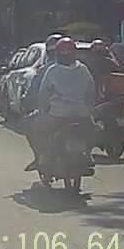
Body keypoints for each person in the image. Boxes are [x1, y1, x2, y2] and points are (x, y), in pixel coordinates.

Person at [24, 37, 96, 172]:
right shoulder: (83, 69)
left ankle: (42, 157)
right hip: (82, 114)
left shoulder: (52, 70)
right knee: (92, 130)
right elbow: (92, 92)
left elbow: (43, 94)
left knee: (33, 127)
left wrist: (42, 110)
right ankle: (87, 154)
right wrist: (88, 108)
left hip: (57, 115)